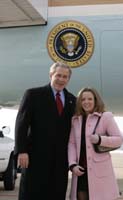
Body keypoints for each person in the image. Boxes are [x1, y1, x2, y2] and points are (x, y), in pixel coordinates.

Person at [14, 62, 76, 200]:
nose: (61, 79)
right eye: (58, 75)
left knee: (57, 194)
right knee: (32, 193)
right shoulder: (33, 95)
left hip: (60, 160)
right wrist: (22, 151)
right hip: (35, 157)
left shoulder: (72, 100)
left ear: (68, 79)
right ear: (51, 75)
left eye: (65, 77)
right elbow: (21, 124)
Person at [68, 87, 123, 200]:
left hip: (99, 172)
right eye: (83, 99)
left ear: (95, 100)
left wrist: (100, 139)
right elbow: (72, 144)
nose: (86, 102)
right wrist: (72, 164)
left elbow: (119, 139)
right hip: (80, 171)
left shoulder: (106, 117)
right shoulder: (75, 120)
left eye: (90, 99)